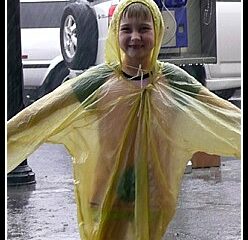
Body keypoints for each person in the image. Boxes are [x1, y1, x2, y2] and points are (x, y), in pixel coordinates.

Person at [7, 0, 241, 239]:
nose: (135, 37)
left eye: (144, 28)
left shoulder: (173, 80)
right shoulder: (99, 81)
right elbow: (46, 111)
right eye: (126, 29)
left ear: (158, 30)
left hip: (153, 192)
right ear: (115, 32)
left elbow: (220, 111)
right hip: (108, 191)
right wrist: (11, 135)